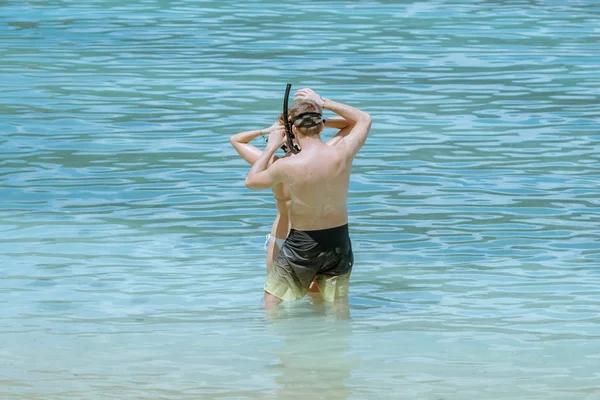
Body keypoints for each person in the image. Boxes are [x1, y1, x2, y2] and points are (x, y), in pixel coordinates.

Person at [245, 88, 372, 309]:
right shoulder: (343, 151)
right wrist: (322, 101)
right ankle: (340, 341)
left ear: (292, 129)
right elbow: (364, 118)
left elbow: (252, 182)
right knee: (337, 302)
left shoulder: (288, 165)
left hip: (304, 243)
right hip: (339, 239)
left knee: (272, 300)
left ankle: (277, 341)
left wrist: (270, 147)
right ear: (321, 125)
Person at [230, 114, 352, 272]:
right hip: (308, 237)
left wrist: (269, 132)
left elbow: (237, 139)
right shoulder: (321, 158)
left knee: (277, 294)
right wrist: (313, 123)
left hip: (291, 237)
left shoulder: (273, 164)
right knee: (313, 295)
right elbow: (350, 124)